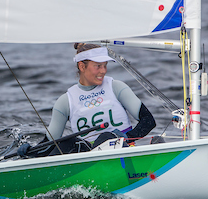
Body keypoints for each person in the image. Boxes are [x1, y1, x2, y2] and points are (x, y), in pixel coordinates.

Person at [19, 43, 156, 157]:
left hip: (120, 150)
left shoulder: (116, 87)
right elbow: (50, 143)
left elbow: (148, 121)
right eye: (98, 66)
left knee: (107, 137)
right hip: (87, 157)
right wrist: (31, 152)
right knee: (65, 142)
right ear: (82, 66)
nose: (103, 71)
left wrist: (127, 136)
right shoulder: (65, 101)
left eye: (105, 65)